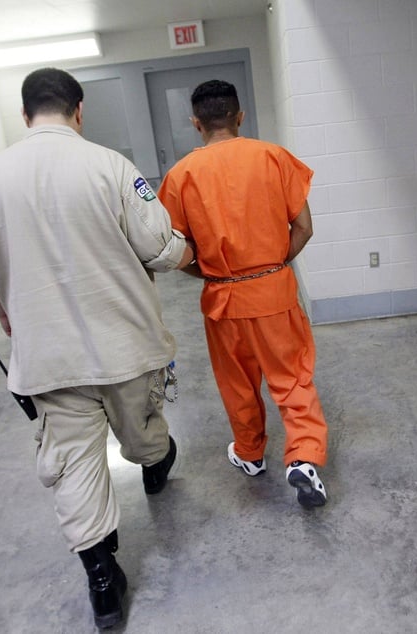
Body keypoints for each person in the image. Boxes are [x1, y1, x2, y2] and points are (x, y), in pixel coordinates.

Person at [0, 67, 194, 629]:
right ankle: (156, 465)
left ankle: (103, 580)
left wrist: (6, 316)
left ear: (24, 115)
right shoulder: (110, 166)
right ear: (79, 110)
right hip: (124, 344)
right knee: (141, 432)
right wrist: (189, 252)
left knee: (73, 468)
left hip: (47, 358)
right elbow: (161, 249)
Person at [157, 79, 329, 508]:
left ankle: (250, 454)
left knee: (237, 384)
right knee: (292, 378)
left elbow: (172, 251)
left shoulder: (180, 175)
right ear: (240, 116)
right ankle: (303, 457)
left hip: (222, 300)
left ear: (196, 124)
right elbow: (304, 227)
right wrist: (271, 268)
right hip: (275, 294)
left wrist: (210, 273)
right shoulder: (273, 157)